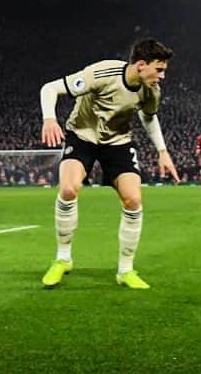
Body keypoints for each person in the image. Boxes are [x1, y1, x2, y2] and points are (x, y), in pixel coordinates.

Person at [38, 37, 180, 290]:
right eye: (158, 70)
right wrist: (50, 119)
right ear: (140, 65)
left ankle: (125, 270)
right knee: (69, 189)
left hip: (118, 142)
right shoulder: (102, 73)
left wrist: (163, 151)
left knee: (133, 199)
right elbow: (50, 88)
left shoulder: (151, 91)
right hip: (82, 136)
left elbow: (149, 117)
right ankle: (63, 259)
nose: (162, 76)